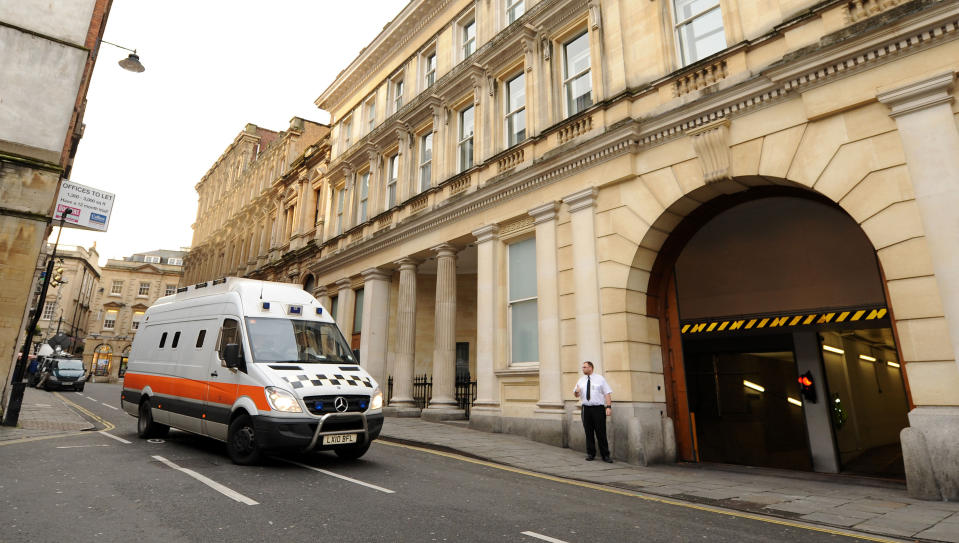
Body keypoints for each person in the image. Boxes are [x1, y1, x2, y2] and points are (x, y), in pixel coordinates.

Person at [573, 360, 613, 463]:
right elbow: (576, 395)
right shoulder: (581, 380)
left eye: (585, 367)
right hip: (586, 409)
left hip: (598, 409)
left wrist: (608, 407)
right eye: (582, 367)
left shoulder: (600, 379)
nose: (583, 369)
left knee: (601, 432)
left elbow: (607, 393)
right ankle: (591, 453)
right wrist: (576, 393)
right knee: (588, 432)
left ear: (591, 368)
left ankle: (606, 455)